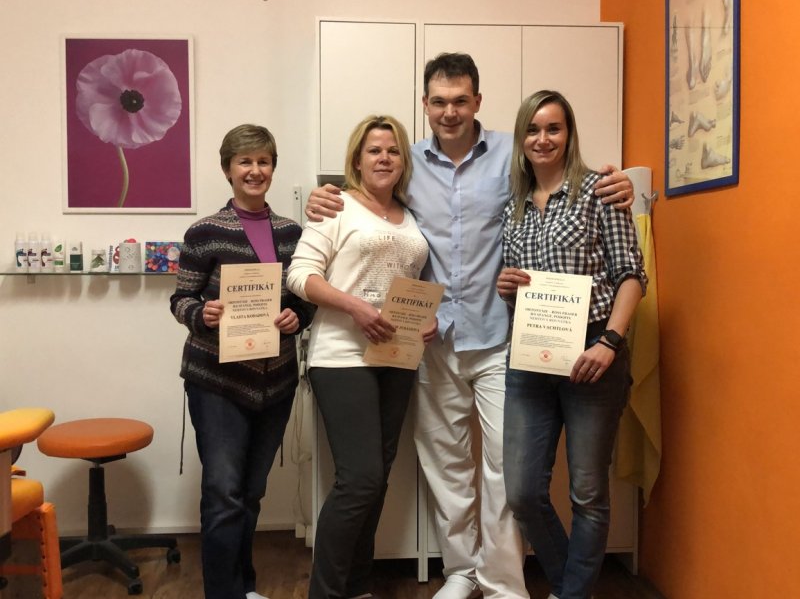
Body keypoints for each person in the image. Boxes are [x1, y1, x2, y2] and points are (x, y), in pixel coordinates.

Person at [305, 53, 635, 599]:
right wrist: (328, 193)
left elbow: (566, 173)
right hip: (430, 340)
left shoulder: (513, 152)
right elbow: (369, 192)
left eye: (461, 100)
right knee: (446, 465)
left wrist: (617, 182)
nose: (450, 111)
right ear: (425, 104)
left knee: (505, 472)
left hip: (503, 338)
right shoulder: (407, 161)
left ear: (478, 101)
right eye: (439, 101)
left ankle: (502, 581)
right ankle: (460, 571)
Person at [496, 90, 647, 599]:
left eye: (553, 128)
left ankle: (572, 592)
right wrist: (506, 286)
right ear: (521, 137)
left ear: (569, 134)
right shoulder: (513, 206)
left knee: (588, 491)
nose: (543, 139)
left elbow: (631, 275)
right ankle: (572, 588)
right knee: (521, 491)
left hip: (593, 352)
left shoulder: (600, 191)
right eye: (533, 129)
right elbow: (517, 284)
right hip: (531, 352)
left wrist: (610, 342)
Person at [287, 115, 436, 599]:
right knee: (360, 480)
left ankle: (356, 587)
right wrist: (355, 306)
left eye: (392, 150)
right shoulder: (336, 206)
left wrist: (427, 320)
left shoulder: (411, 215)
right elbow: (300, 275)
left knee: (378, 479)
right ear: (357, 159)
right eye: (374, 150)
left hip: (396, 356)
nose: (384, 158)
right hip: (342, 357)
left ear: (403, 161)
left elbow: (416, 284)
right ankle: (326, 592)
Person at [170, 124, 316, 599]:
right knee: (224, 494)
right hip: (217, 381)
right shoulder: (205, 231)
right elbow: (180, 299)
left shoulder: (293, 233)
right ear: (228, 170)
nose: (255, 170)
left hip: (276, 383)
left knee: (251, 493)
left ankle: (243, 586)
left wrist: (298, 316)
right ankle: (223, 592)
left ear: (273, 168)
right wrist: (202, 314)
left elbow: (305, 299)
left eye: (263, 161)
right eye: (245, 162)